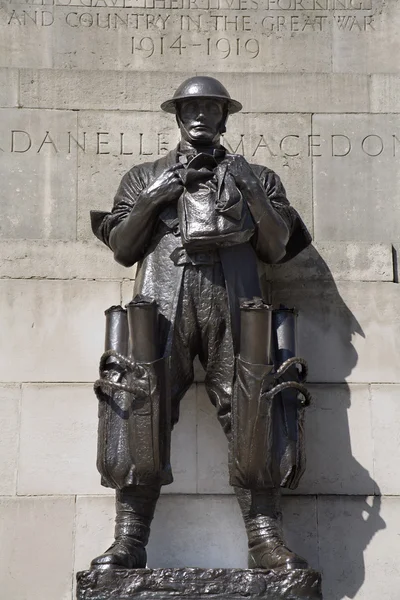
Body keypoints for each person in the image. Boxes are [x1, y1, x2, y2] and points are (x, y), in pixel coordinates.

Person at [90, 76, 312, 571]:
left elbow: (276, 248)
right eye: (191, 106)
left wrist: (250, 186)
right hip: (163, 297)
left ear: (224, 116)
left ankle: (264, 539)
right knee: (139, 403)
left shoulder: (260, 177)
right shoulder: (142, 175)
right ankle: (129, 539)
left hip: (235, 297)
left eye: (211, 107)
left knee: (256, 405)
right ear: (176, 114)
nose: (200, 115)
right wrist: (158, 193)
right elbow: (124, 249)